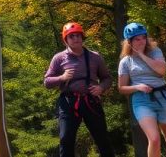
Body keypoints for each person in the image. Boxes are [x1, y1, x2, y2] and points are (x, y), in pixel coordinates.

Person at [44, 21, 114, 157]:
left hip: (91, 101)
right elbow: (47, 82)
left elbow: (107, 78)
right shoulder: (59, 58)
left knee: (102, 138)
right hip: (69, 102)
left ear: (82, 37)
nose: (76, 39)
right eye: (71, 36)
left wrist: (101, 87)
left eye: (78, 36)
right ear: (66, 40)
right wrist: (62, 78)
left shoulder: (95, 57)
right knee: (66, 139)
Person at [117, 22, 166, 157]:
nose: (141, 41)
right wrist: (137, 87)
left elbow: (162, 70)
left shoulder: (155, 52)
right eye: (137, 39)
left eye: (143, 37)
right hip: (142, 101)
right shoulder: (125, 62)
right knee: (154, 139)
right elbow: (121, 88)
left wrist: (142, 55)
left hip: (163, 97)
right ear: (129, 42)